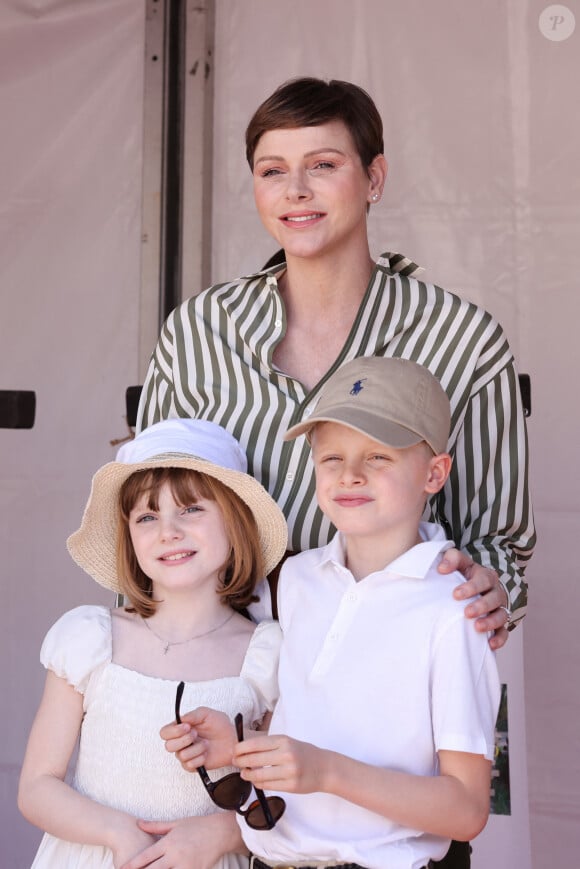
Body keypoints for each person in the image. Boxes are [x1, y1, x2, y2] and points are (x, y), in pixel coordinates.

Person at [134, 76, 535, 868]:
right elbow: (147, 516)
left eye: (323, 164)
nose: (296, 190)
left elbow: (501, 547)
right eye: (272, 169)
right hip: (218, 711)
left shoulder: (461, 338)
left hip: (379, 752)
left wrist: (490, 589)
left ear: (374, 177)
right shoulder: (198, 334)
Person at [163, 356, 502, 869]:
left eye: (379, 457)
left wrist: (329, 773)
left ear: (435, 473)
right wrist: (241, 747)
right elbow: (312, 734)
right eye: (331, 459)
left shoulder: (455, 609)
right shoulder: (296, 581)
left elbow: (467, 809)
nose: (350, 475)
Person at [18, 419, 288, 869]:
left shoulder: (266, 655)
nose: (168, 531)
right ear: (130, 537)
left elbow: (284, 796)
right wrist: (118, 832)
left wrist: (222, 833)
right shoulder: (92, 639)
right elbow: (37, 786)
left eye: (191, 510)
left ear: (236, 521)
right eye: (147, 516)